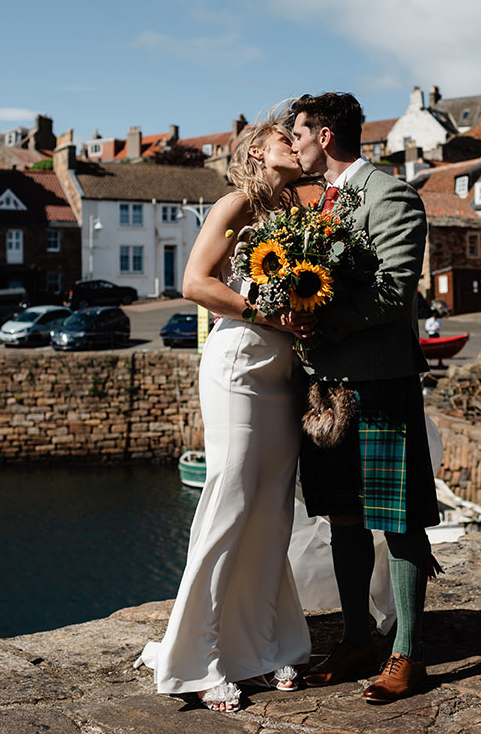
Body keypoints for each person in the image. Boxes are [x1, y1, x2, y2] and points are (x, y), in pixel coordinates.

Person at [137, 114, 313, 712]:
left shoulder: (296, 212)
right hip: (237, 364)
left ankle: (260, 647)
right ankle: (198, 658)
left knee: (271, 511)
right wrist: (263, 314)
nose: (294, 143)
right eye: (282, 138)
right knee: (229, 498)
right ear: (256, 153)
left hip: (282, 372)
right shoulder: (237, 203)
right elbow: (193, 282)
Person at [288, 92, 440, 704]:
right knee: (342, 518)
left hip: (379, 382)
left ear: (324, 136)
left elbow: (393, 292)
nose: (293, 144)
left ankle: (407, 654)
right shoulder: (313, 203)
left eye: (298, 134)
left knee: (399, 523)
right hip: (325, 389)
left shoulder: (391, 195)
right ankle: (356, 639)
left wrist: (318, 319)